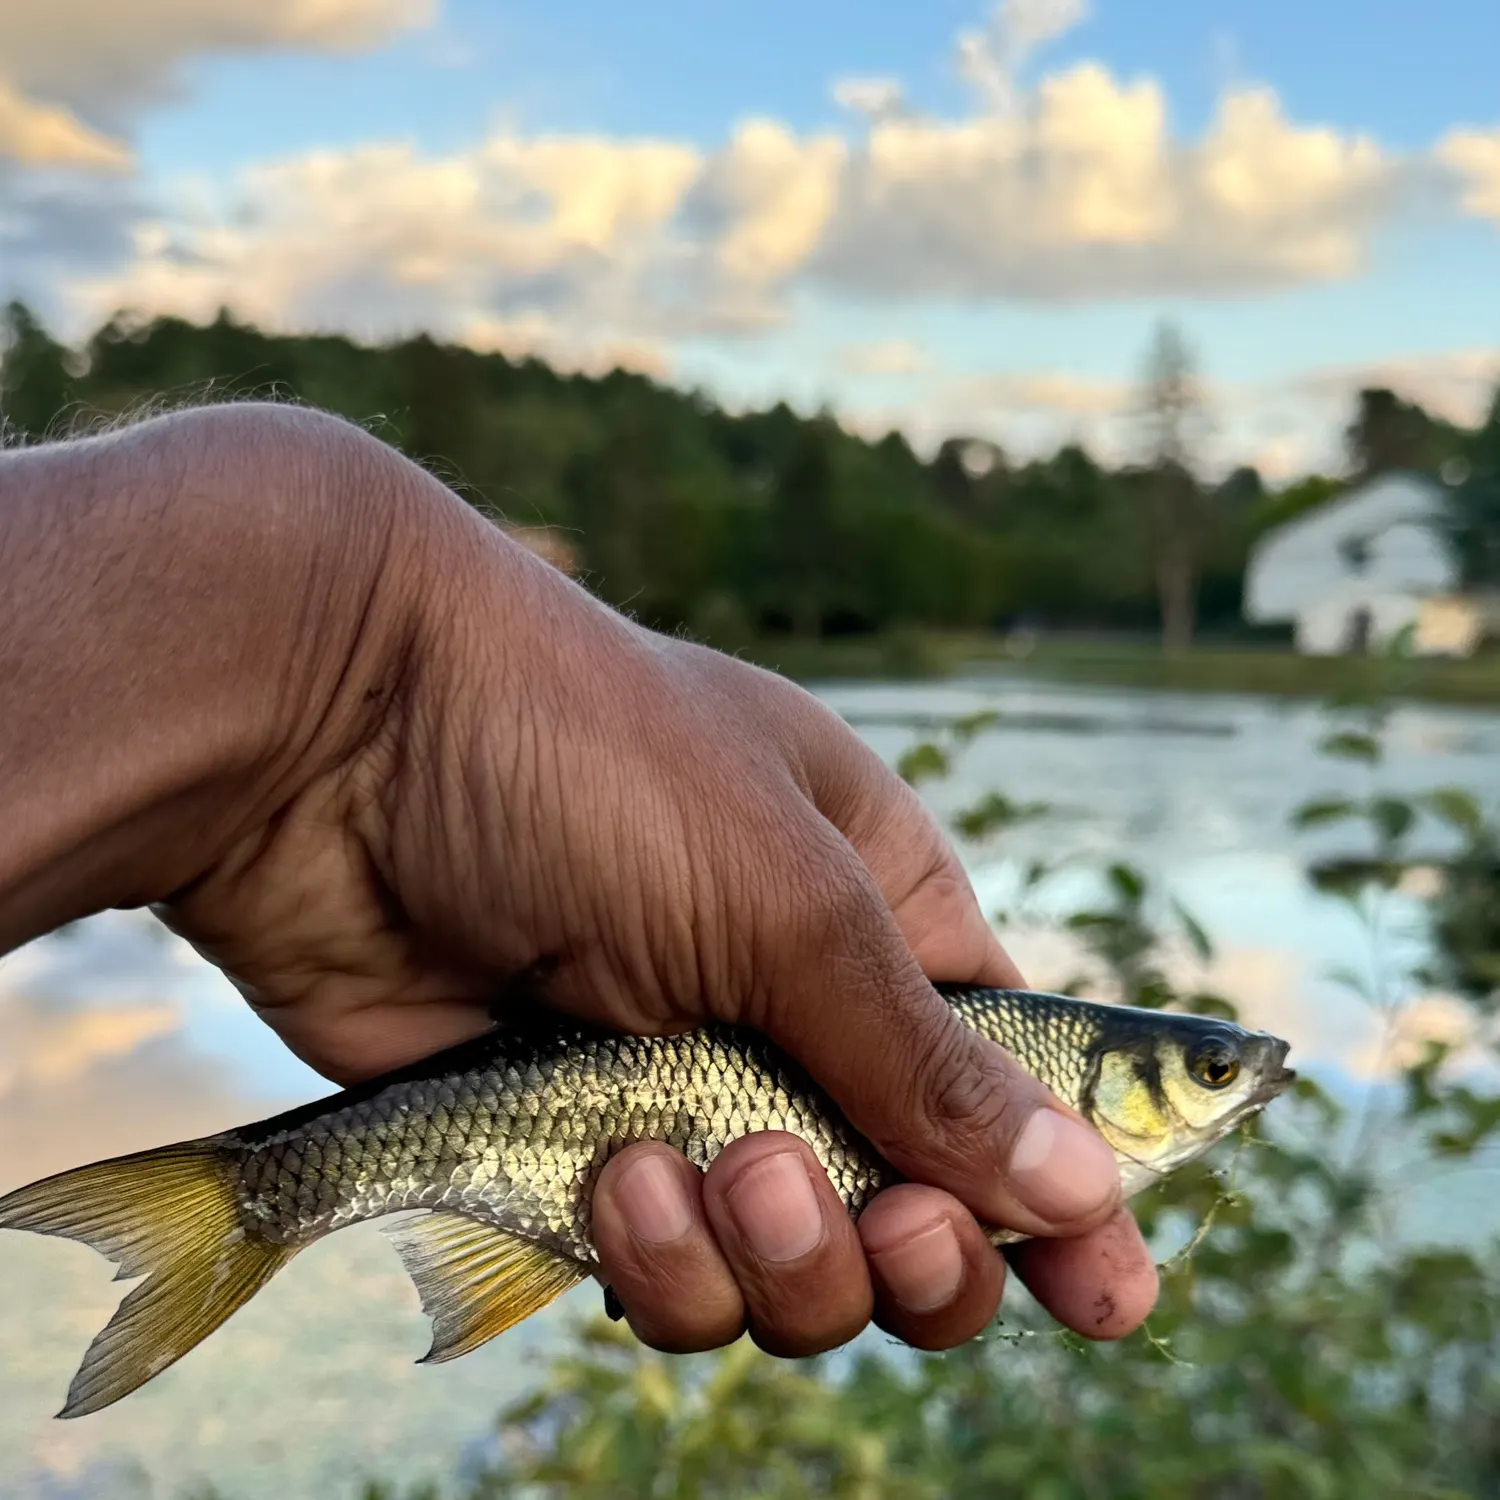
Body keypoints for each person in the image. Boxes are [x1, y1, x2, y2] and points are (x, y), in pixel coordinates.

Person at [0, 402, 1158, 1360]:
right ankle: (250, 1196)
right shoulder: (995, 1073)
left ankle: (275, 1200)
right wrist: (355, 635)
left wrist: (338, 675)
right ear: (1098, 1087)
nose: (1238, 1081)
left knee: (760, 1228)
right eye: (1202, 1070)